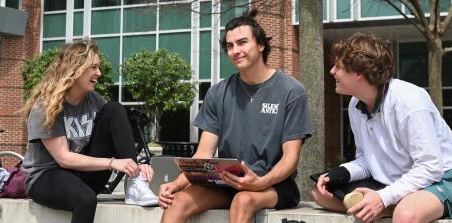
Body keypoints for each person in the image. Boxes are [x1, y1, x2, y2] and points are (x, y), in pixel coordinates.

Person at [158, 9, 311, 223]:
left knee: (243, 200)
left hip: (273, 184)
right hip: (226, 180)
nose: (235, 50)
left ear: (261, 45)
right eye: (230, 46)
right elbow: (204, 153)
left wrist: (261, 182)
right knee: (178, 201)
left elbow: (290, 158)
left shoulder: (291, 91)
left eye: (242, 42)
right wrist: (174, 185)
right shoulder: (218, 92)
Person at [310, 32, 452, 223]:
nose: (332, 71)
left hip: (445, 179)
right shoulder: (355, 105)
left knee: (405, 216)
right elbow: (367, 160)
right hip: (397, 180)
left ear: (358, 73)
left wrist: (383, 197)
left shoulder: (408, 100)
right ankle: (392, 203)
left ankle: (392, 204)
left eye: (338, 67)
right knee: (319, 194)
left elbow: (430, 167)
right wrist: (339, 174)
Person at [20, 39, 157, 223]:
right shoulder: (46, 106)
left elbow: (113, 133)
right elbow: (63, 158)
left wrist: (135, 166)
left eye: (98, 67)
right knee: (85, 199)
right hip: (45, 177)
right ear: (74, 69)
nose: (99, 73)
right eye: (93, 67)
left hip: (80, 174)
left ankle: (135, 181)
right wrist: (112, 163)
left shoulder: (94, 100)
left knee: (114, 109)